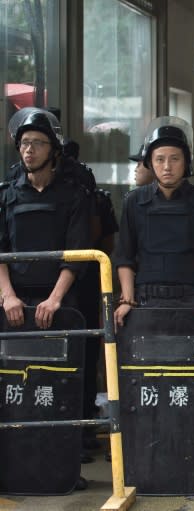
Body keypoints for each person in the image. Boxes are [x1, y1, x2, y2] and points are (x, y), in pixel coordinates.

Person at [0, 107, 91, 490]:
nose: (29, 150)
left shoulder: (74, 195)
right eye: (24, 144)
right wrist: (7, 297)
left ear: (53, 149)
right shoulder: (6, 194)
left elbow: (77, 253)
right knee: (14, 389)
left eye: (37, 143)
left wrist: (54, 300)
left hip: (60, 304)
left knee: (59, 389)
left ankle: (62, 470)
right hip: (13, 305)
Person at [112, 116, 194, 331]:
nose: (167, 166)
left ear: (186, 162)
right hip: (145, 300)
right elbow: (124, 257)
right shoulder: (134, 201)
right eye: (159, 159)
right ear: (150, 163)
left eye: (175, 159)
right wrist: (127, 300)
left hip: (193, 299)